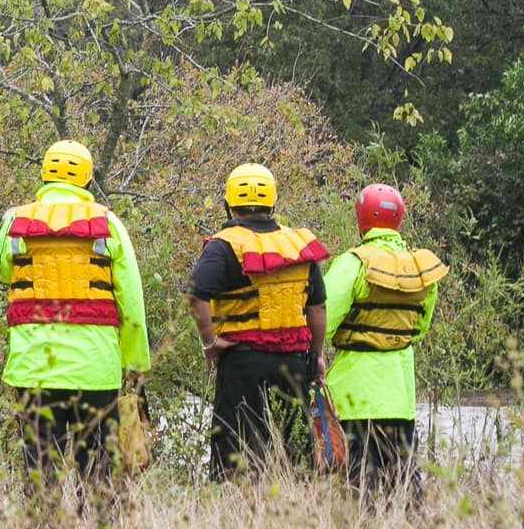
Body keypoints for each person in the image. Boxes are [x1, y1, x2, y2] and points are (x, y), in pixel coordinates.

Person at [0, 140, 149, 482]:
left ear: (44, 176)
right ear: (87, 181)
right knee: (98, 472)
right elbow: (131, 302)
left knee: (40, 473)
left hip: (34, 369)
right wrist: (135, 365)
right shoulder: (108, 223)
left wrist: (6, 224)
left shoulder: (17, 220)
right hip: (95, 369)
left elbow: (1, 269)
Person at [187, 163, 329, 478]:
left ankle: (239, 516)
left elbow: (197, 295)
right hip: (293, 365)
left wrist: (210, 342)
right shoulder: (297, 245)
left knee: (235, 459)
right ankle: (291, 514)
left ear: (228, 203)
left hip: (241, 364)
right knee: (294, 460)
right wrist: (317, 356)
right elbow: (317, 308)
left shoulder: (223, 245)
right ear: (273, 203)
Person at [324, 183, 447, 494]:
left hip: (355, 396)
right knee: (404, 486)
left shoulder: (352, 263)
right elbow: (419, 328)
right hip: (400, 397)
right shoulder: (419, 270)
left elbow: (321, 321)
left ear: (361, 218)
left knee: (359, 484)